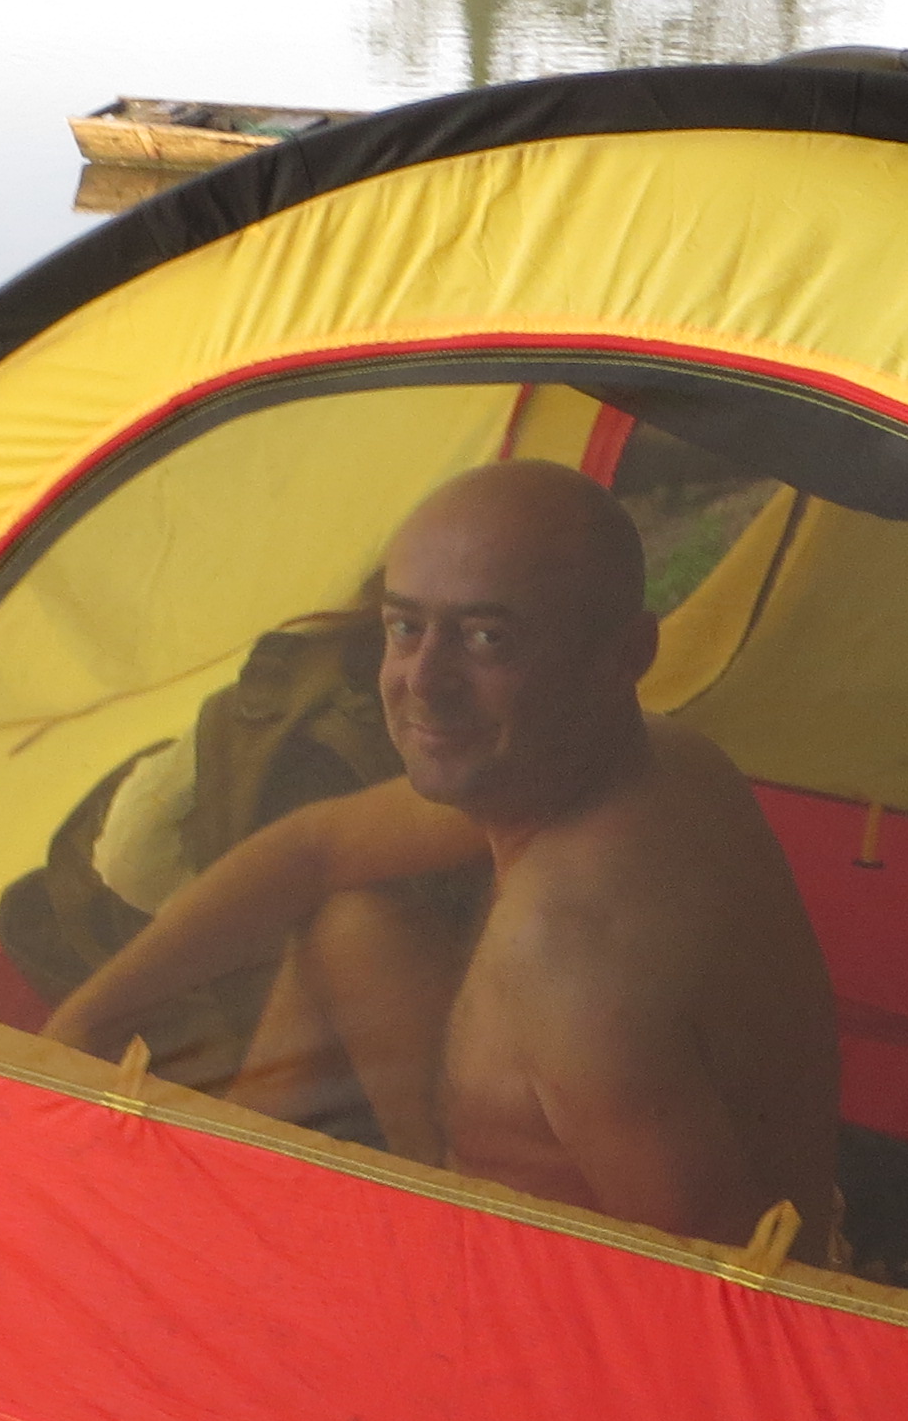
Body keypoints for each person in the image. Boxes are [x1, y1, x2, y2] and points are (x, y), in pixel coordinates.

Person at [43, 458, 841, 1256]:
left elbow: (737, 1297)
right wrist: (83, 1021)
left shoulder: (572, 968)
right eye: (404, 628)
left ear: (623, 657)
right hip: (501, 1196)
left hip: (534, 1322)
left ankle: (204, 1248)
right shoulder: (647, 758)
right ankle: (213, 1214)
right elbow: (316, 848)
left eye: (488, 639)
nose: (425, 682)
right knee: (352, 922)